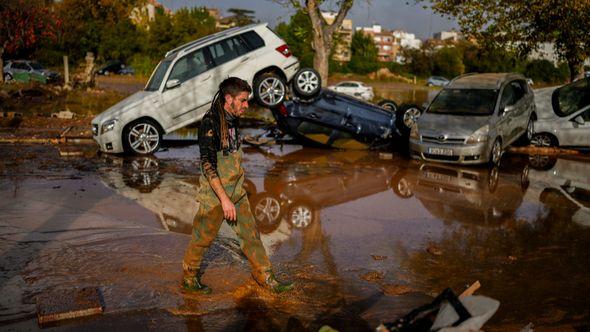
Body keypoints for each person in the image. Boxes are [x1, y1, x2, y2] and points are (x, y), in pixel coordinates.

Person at [181, 77, 294, 294]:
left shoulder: (233, 119)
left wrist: (236, 193)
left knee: (250, 235)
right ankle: (189, 277)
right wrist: (224, 201)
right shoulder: (210, 123)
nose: (246, 105)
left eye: (247, 101)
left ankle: (265, 277)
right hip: (215, 195)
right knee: (202, 238)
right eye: (243, 100)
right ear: (228, 98)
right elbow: (208, 165)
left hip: (237, 191)